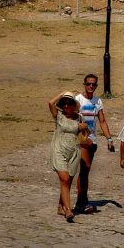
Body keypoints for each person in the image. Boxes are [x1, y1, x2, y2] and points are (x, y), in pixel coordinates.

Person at [74, 74, 114, 213]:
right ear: (84, 84)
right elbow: (72, 118)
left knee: (86, 171)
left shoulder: (97, 101)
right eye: (89, 84)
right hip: (82, 140)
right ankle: (81, 201)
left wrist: (109, 138)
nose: (91, 86)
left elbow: (102, 121)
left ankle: (83, 199)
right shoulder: (78, 100)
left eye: (94, 84)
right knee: (85, 170)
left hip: (93, 140)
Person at [48, 91, 89, 222]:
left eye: (69, 103)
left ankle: (61, 206)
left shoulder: (79, 117)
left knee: (68, 181)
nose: (66, 106)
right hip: (59, 150)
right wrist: (62, 94)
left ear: (74, 105)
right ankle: (68, 210)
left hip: (74, 151)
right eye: (64, 103)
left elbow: (85, 135)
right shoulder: (59, 116)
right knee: (64, 179)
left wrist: (84, 128)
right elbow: (50, 103)